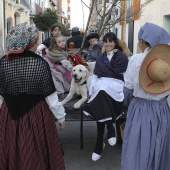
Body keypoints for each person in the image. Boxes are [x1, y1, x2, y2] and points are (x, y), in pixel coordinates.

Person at [0, 23, 66, 169]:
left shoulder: (3, 62)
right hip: (36, 115)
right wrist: (61, 117)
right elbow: (51, 97)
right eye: (36, 40)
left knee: (12, 148)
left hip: (8, 114)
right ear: (31, 42)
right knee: (35, 150)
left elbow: (1, 95)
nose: (38, 42)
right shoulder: (39, 63)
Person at [121, 22, 170, 170]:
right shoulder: (167, 62)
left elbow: (128, 89)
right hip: (162, 109)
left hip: (140, 108)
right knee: (159, 145)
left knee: (137, 146)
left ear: (142, 41)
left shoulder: (136, 59)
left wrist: (129, 104)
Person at [83, 32, 129, 161]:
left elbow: (124, 75)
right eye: (106, 41)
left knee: (102, 93)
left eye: (111, 41)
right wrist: (92, 88)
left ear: (115, 42)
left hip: (116, 84)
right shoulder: (101, 58)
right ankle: (110, 128)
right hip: (102, 84)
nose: (108, 44)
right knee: (100, 90)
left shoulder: (122, 57)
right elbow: (96, 75)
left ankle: (99, 143)